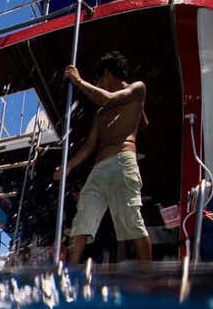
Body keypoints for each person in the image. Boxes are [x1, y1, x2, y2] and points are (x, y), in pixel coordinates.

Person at [54, 51, 152, 264]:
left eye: (99, 79)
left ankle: (147, 276)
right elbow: (90, 145)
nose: (98, 83)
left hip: (123, 162)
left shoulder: (137, 88)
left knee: (132, 223)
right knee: (81, 224)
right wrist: (68, 166)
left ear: (107, 73)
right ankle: (69, 276)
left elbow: (108, 99)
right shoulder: (101, 113)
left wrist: (79, 82)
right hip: (98, 170)